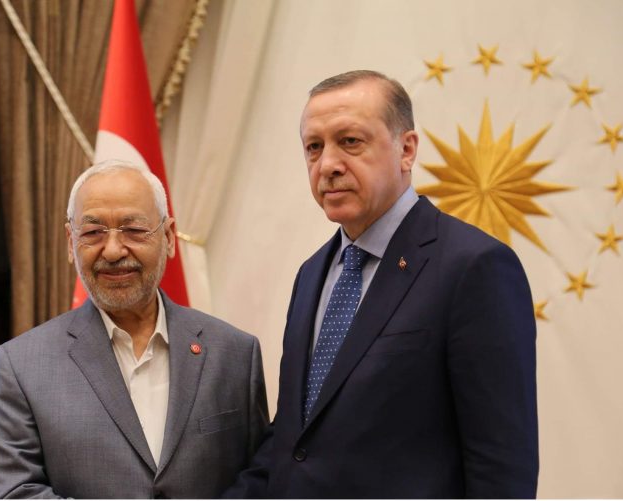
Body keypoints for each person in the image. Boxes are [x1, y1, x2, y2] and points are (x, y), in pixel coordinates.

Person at [225, 70, 538, 498]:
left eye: (350, 141)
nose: (328, 165)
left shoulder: (473, 266)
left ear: (406, 149)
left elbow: (501, 467)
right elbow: (296, 439)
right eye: (314, 147)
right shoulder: (311, 273)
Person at [0, 160, 269, 498]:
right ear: (70, 242)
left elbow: (261, 478)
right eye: (93, 233)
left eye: (133, 230)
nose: (113, 250)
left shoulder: (235, 354)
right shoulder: (20, 366)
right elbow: (13, 492)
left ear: (168, 237)